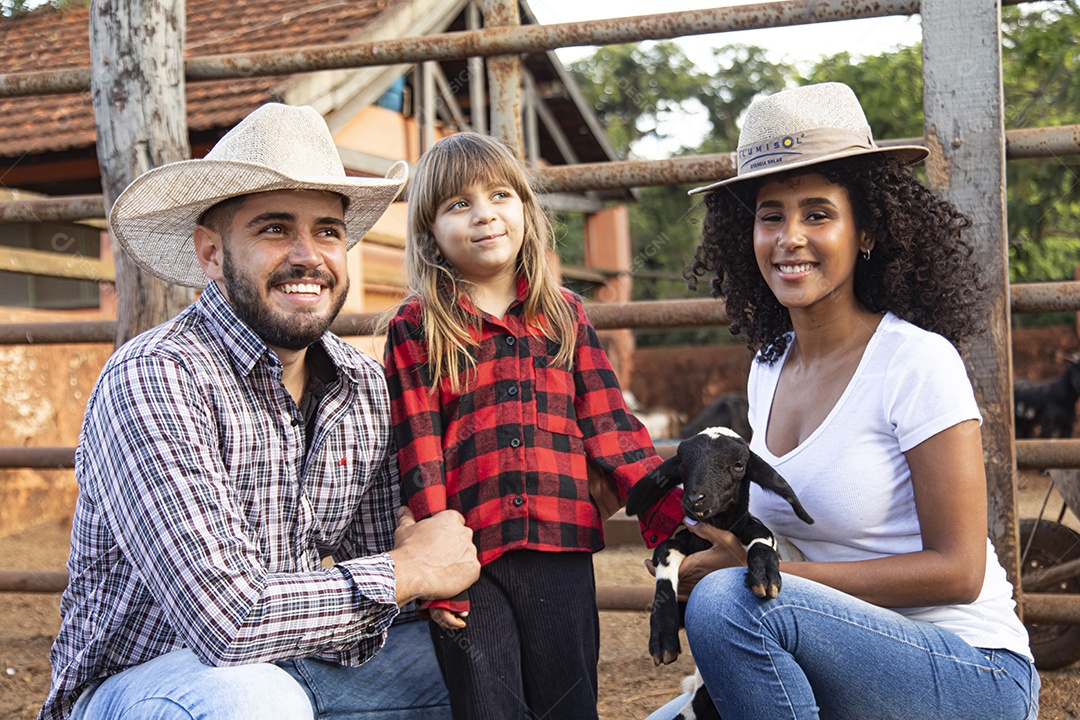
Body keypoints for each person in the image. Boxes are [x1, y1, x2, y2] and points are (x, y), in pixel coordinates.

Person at [40, 103, 480, 720]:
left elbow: (393, 565)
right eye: (275, 229)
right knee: (250, 701)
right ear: (212, 254)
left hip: (300, 664)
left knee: (494, 661)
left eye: (327, 230)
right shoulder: (157, 376)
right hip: (153, 684)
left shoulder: (363, 386)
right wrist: (408, 570)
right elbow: (226, 620)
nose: (308, 256)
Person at [646, 82, 1039, 720]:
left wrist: (760, 573)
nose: (789, 237)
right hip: (831, 656)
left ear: (866, 232)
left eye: (818, 214)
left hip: (970, 671)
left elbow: (959, 571)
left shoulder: (916, 362)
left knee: (726, 604)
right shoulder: (767, 369)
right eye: (771, 214)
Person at [382, 131, 684, 720]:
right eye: (457, 204)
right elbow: (419, 450)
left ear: (526, 207)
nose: (484, 214)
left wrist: (667, 518)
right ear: (430, 234)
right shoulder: (417, 327)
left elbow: (613, 428)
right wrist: (438, 568)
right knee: (488, 706)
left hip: (560, 546)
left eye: (499, 194)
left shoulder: (564, 316)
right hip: (471, 560)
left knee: (568, 701)